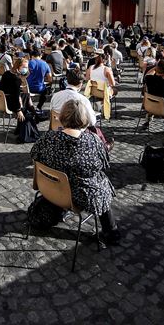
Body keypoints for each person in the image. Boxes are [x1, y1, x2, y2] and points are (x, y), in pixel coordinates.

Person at [30, 99, 120, 245]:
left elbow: (34, 155)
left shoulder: (48, 138)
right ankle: (111, 232)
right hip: (80, 195)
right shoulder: (93, 141)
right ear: (84, 119)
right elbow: (101, 166)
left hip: (51, 189)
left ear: (62, 117)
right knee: (102, 183)